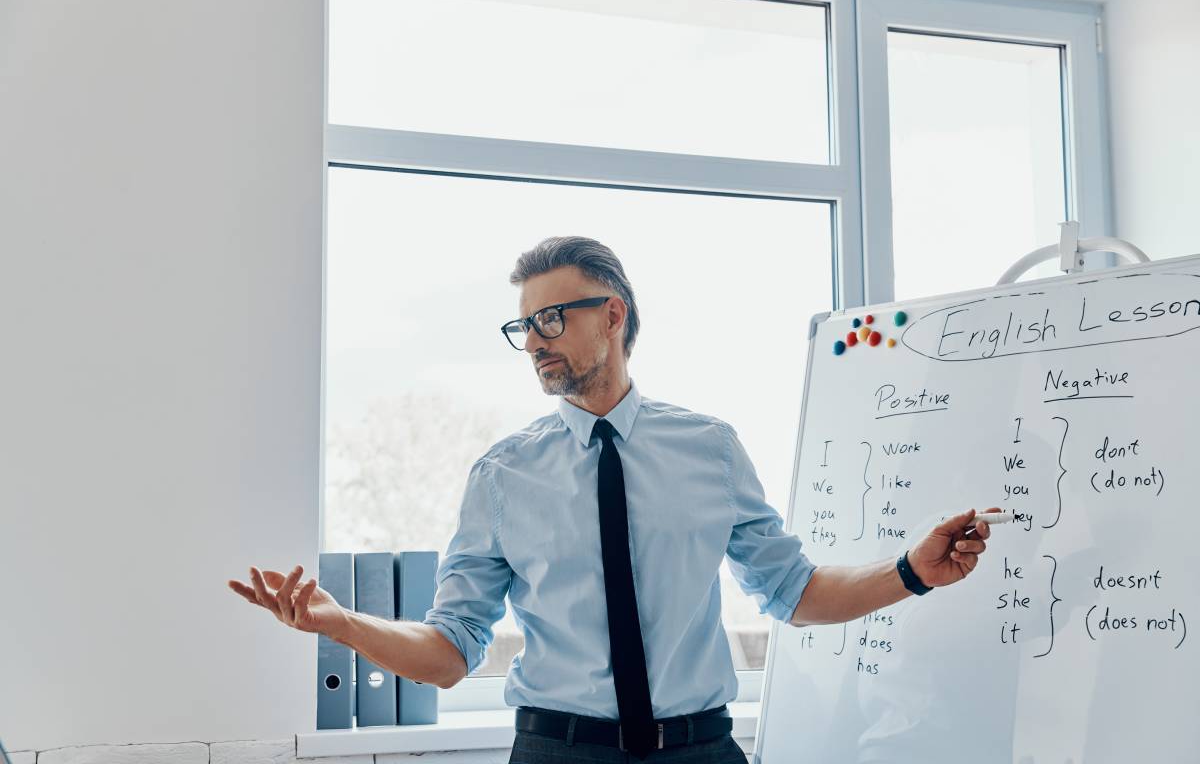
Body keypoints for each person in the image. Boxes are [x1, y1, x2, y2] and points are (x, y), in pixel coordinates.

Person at [228, 236, 997, 763]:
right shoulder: (502, 475)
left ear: (614, 316)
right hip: (556, 752)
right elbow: (450, 654)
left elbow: (794, 594)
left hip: (700, 750)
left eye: (551, 319)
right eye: (523, 326)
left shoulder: (710, 448)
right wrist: (339, 623)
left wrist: (911, 571)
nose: (534, 341)